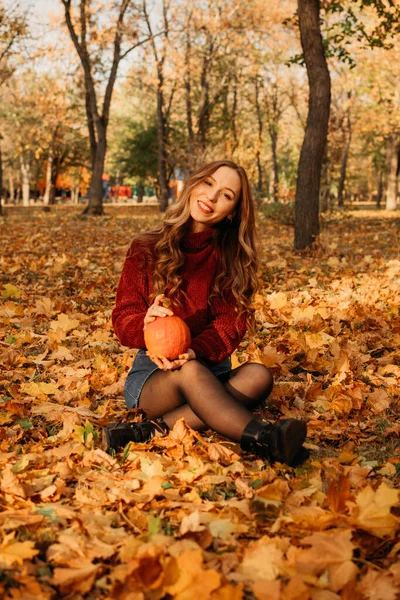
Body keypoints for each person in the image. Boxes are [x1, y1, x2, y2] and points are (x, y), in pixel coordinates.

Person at [104, 159, 308, 466]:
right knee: (188, 371)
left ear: (234, 211)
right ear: (194, 184)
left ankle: (148, 431)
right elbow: (124, 317)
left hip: (210, 367)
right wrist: (143, 325)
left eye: (226, 195)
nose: (211, 198)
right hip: (156, 378)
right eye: (208, 184)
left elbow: (230, 324)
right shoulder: (146, 247)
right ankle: (265, 439)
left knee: (258, 375)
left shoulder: (232, 259)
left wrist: (196, 350)